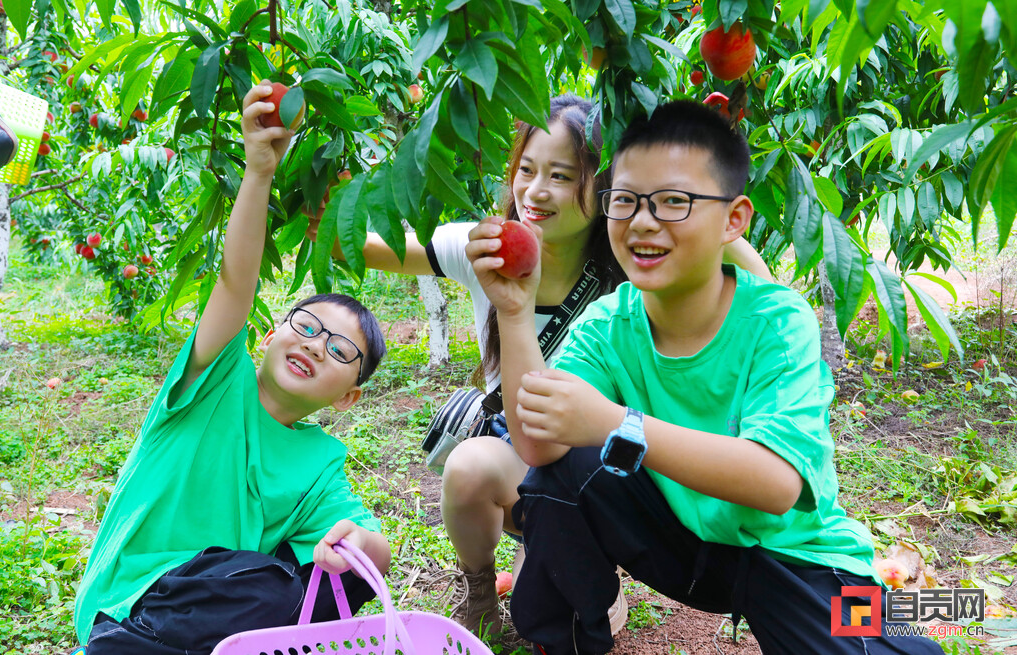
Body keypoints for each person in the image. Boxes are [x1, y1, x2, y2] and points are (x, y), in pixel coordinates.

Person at [467, 100, 943, 654]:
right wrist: (516, 312)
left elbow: (776, 483)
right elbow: (535, 445)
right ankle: (567, 643)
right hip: (680, 543)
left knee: (902, 649)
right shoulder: (610, 323)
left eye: (674, 202)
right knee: (558, 474)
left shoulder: (777, 321)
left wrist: (622, 424)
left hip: (792, 559)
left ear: (733, 220)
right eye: (625, 201)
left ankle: (919, 616)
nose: (643, 221)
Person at [309, 94, 772, 635]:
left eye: (561, 175)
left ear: (605, 192)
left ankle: (595, 565)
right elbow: (371, 248)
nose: (535, 190)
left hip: (602, 478)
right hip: (524, 455)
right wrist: (315, 204)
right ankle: (478, 589)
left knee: (560, 611)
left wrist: (712, 202)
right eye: (526, 169)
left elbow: (758, 285)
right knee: (470, 467)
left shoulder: (631, 269)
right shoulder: (485, 247)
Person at [71, 82, 391, 655]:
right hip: (137, 601)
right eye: (308, 327)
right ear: (266, 337)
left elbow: (374, 551)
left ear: (347, 399)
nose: (318, 347)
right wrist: (259, 171)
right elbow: (235, 282)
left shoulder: (320, 463)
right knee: (265, 589)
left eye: (342, 351)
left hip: (228, 602)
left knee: (326, 579)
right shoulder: (215, 378)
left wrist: (359, 542)